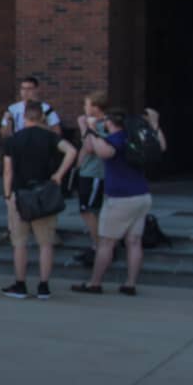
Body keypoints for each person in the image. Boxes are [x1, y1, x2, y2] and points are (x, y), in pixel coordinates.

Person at [73, 107, 165, 296]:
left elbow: (103, 153)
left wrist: (91, 130)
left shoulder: (115, 139)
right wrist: (155, 124)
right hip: (142, 195)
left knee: (106, 243)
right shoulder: (135, 137)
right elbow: (160, 146)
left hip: (120, 198)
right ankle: (130, 284)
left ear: (109, 122)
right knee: (134, 241)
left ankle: (95, 283)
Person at [0, 100, 76, 299]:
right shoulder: (50, 137)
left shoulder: (13, 140)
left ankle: (20, 284)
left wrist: (7, 194)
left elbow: (7, 171)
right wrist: (59, 175)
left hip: (21, 193)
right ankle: (43, 286)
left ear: (24, 116)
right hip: (44, 193)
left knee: (19, 243)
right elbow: (71, 151)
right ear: (42, 117)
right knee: (46, 243)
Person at [71, 92, 110, 258]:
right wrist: (77, 167)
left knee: (89, 210)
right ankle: (98, 244)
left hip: (95, 173)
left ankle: (99, 247)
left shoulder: (104, 125)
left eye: (86, 105)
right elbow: (83, 150)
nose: (84, 108)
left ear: (95, 107)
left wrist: (83, 126)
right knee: (86, 209)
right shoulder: (92, 124)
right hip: (86, 172)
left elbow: (89, 148)